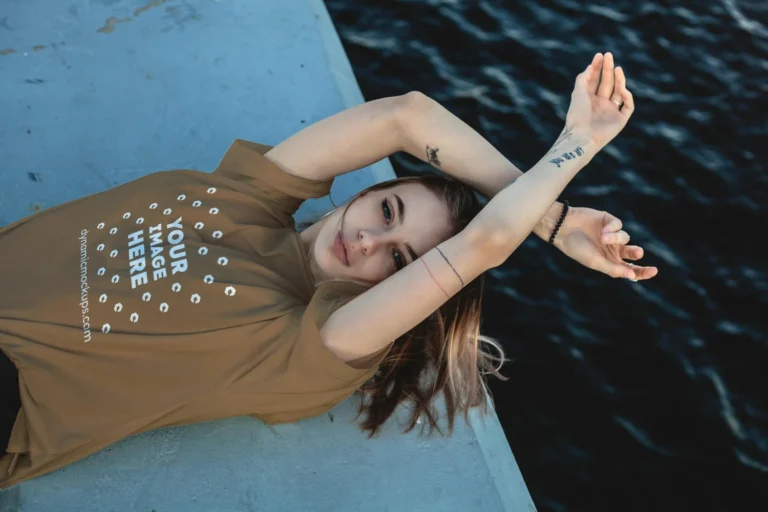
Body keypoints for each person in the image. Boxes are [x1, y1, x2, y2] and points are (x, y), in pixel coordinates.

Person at [0, 52, 656, 488]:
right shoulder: (250, 194)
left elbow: (483, 245)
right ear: (363, 193)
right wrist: (557, 216)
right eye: (387, 210)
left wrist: (577, 145)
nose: (369, 240)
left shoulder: (306, 349)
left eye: (400, 261)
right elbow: (404, 117)